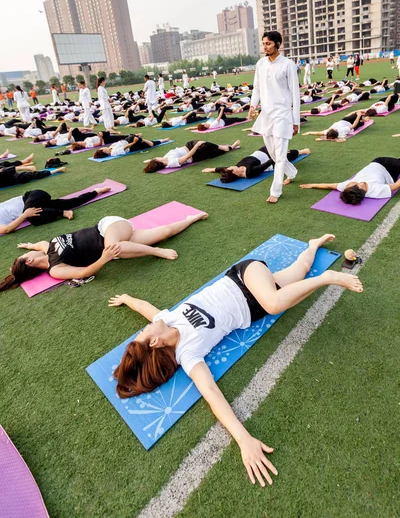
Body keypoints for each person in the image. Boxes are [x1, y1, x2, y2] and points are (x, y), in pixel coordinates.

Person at [109, 234, 363, 487]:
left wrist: (126, 299)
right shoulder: (187, 354)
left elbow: (144, 307)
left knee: (276, 302)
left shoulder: (168, 319)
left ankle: (327, 278)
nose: (145, 328)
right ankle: (313, 245)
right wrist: (244, 440)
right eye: (143, 333)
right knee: (299, 271)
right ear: (154, 343)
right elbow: (211, 393)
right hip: (255, 306)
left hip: (243, 277)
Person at [0, 211, 209, 290]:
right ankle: (190, 219)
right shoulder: (55, 269)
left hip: (108, 227)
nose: (31, 252)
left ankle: (157, 252)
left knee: (114, 248)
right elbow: (83, 273)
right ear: (30, 262)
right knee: (164, 232)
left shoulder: (46, 248)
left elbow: (38, 244)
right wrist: (103, 259)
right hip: (117, 245)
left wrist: (27, 246)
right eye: (27, 256)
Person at [248, 31, 300, 203]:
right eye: (264, 43)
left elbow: (295, 95)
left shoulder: (288, 65)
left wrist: (295, 120)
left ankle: (275, 191)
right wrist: (252, 106)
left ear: (278, 44)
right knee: (273, 153)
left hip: (283, 115)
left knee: (279, 154)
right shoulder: (260, 64)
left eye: (268, 43)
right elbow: (256, 89)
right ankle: (291, 172)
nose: (265, 47)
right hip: (266, 115)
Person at [0, 185, 111, 234]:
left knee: (32, 217)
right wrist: (24, 215)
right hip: (38, 206)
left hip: (33, 196)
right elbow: (6, 230)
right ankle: (96, 191)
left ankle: (63, 213)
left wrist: (25, 214)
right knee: (70, 203)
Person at [300, 157, 400, 204]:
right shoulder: (375, 190)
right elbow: (397, 185)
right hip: (391, 174)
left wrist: (313, 185)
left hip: (379, 162)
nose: (348, 183)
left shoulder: (348, 187)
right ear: (360, 187)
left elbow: (329, 186)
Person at [202, 146, 310, 182]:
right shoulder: (250, 172)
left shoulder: (235, 169)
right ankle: (301, 151)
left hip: (261, 151)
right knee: (289, 154)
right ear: (234, 172)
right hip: (270, 160)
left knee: (273, 143)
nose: (229, 166)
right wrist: (278, 155)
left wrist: (212, 169)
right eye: (231, 168)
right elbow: (266, 164)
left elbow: (223, 169)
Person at [143, 139, 241, 172]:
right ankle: (230, 147)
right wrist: (197, 145)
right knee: (210, 149)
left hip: (187, 146)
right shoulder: (171, 163)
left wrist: (148, 161)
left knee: (206, 144)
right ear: (158, 163)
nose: (156, 159)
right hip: (195, 155)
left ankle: (224, 147)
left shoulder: (162, 159)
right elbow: (187, 156)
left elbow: (154, 158)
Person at [301, 111, 368, 141]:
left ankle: (362, 118)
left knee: (356, 114)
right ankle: (364, 119)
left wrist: (309, 133)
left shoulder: (328, 131)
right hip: (351, 125)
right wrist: (358, 116)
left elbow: (319, 133)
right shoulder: (343, 130)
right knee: (360, 120)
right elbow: (353, 126)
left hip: (344, 120)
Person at [93, 135, 171, 158]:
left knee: (134, 137)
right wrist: (134, 142)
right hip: (132, 146)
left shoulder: (111, 148)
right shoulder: (113, 153)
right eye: (102, 148)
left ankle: (144, 140)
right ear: (103, 151)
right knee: (137, 139)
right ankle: (161, 141)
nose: (104, 147)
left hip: (126, 140)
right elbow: (125, 147)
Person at [0, 165, 66, 189]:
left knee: (4, 167)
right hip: (8, 180)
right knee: (30, 175)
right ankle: (56, 170)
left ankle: (25, 166)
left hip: (8, 176)